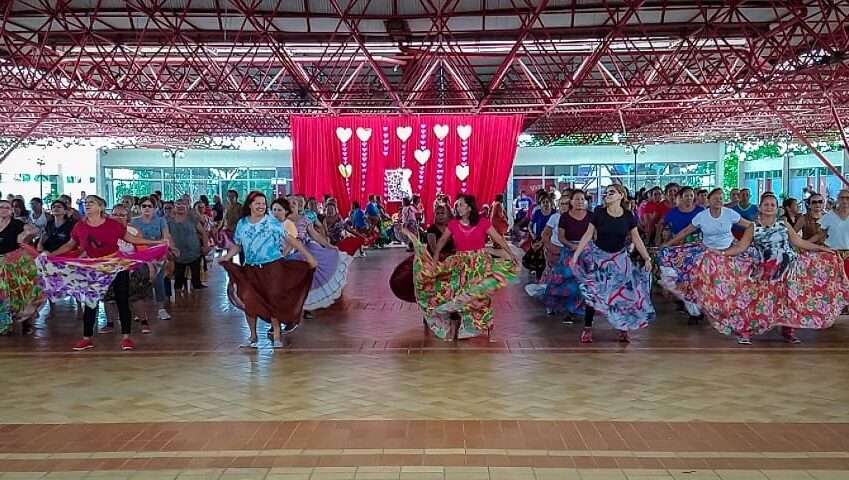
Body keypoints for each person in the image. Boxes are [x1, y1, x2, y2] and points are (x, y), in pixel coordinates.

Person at [706, 193, 846, 344]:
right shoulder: (753, 227)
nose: (769, 207)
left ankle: (788, 331)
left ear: (777, 208)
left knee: (787, 301)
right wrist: (722, 253)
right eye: (766, 204)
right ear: (760, 207)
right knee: (755, 302)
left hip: (787, 271)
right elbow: (741, 247)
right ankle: (745, 331)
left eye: (772, 205)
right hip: (763, 272)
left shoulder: (783, 225)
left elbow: (798, 241)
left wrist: (820, 249)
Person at [50, 195, 165, 351]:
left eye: (91, 202)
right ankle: (86, 338)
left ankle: (126, 337)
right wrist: (52, 255)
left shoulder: (113, 225)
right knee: (91, 303)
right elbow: (70, 244)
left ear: (101, 207)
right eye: (86, 202)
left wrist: (156, 243)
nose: (87, 204)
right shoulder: (80, 226)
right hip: (94, 268)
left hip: (115, 265)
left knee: (122, 300)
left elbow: (133, 240)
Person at [403, 194, 517, 341]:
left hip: (479, 265)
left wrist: (510, 253)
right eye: (456, 205)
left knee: (478, 295)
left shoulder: (482, 223)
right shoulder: (453, 224)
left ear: (469, 207)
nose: (457, 207)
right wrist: (435, 262)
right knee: (456, 294)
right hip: (461, 264)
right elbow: (440, 244)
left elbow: (498, 238)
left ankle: (483, 325)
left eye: (461, 205)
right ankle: (461, 326)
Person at [219, 192, 316, 348]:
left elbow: (290, 238)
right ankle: (253, 336)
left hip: (272, 268)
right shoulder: (242, 224)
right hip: (251, 268)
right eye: (258, 203)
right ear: (250, 205)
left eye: (264, 203)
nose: (261, 206)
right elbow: (237, 245)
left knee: (272, 300)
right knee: (248, 299)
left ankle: (276, 336)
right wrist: (227, 256)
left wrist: (308, 256)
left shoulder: (271, 222)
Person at [571, 184, 655, 343]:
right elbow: (588, 234)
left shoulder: (628, 216)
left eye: (611, 192)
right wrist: (576, 255)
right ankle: (588, 327)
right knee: (595, 292)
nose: (607, 194)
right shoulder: (599, 213)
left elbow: (636, 238)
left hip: (620, 260)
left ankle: (623, 328)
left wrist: (647, 258)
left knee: (624, 294)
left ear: (621, 196)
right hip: (600, 259)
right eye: (606, 192)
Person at [662, 188, 753, 326]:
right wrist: (668, 243)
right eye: (715, 198)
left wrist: (743, 242)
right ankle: (695, 312)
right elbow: (686, 231)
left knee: (728, 282)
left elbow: (750, 225)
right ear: (709, 200)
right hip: (707, 252)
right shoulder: (702, 216)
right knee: (699, 281)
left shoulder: (729, 213)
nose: (718, 201)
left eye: (721, 198)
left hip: (728, 252)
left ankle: (727, 312)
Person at [527, 190, 589, 322]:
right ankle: (555, 304)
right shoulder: (557, 217)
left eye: (566, 203)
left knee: (578, 282)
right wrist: (550, 248)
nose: (564, 206)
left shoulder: (587, 216)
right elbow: (550, 234)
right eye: (562, 204)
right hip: (561, 252)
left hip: (581, 253)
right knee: (559, 280)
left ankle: (575, 309)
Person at [288, 196, 353, 312]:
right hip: (288, 253)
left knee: (310, 276)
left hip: (306, 251)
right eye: (290, 202)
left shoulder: (304, 219)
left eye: (295, 203)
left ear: (299, 206)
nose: (293, 204)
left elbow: (315, 235)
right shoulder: (281, 221)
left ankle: (306, 307)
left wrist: (329, 246)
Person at [0, 199, 44, 335]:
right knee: (2, 295)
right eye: (1, 207)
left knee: (21, 293)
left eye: (7, 207)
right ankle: (4, 324)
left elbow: (36, 230)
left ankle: (26, 323)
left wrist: (25, 235)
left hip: (15, 263)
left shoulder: (17, 224)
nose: (4, 209)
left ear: (11, 211)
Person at [130, 196, 172, 321]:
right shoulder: (134, 222)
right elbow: (132, 240)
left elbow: (166, 237)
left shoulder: (161, 221)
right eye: (144, 206)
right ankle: (140, 312)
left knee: (159, 281)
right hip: (140, 256)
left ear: (154, 208)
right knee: (141, 283)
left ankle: (161, 309)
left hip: (157, 255)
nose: (147, 208)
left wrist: (165, 247)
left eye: (150, 206)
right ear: (139, 208)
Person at [168, 199, 208, 293]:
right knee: (178, 281)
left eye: (183, 204)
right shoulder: (169, 221)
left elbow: (203, 233)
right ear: (174, 206)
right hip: (178, 255)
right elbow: (166, 236)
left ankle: (197, 303)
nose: (181, 206)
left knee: (196, 281)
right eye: (178, 204)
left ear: (187, 206)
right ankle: (179, 304)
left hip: (194, 253)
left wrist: (205, 246)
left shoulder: (192, 218)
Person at [816, 189, 849, 279]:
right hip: (832, 255)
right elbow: (820, 235)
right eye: (842, 198)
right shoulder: (830, 215)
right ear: (838, 199)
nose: (845, 200)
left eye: (847, 198)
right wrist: (805, 244)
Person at [523, 194, 553, 281]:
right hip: (538, 239)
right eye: (543, 202)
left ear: (551, 203)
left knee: (548, 260)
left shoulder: (554, 213)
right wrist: (532, 234)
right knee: (537, 261)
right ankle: (539, 279)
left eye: (547, 202)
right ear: (540, 204)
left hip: (550, 240)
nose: (546, 204)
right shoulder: (537, 213)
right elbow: (530, 225)